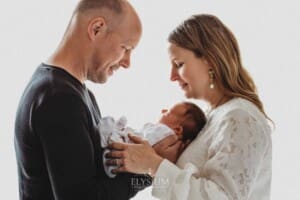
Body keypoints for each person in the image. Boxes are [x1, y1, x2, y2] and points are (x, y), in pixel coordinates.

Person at [107, 14, 272, 199]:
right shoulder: (213, 118)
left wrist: (154, 164)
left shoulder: (239, 117)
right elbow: (177, 184)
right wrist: (149, 168)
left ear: (210, 60)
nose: (172, 76)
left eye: (179, 64)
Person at [14, 0, 147, 199]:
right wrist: (147, 175)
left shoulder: (71, 91)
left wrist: (138, 160)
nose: (127, 63)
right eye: (126, 48)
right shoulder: (59, 98)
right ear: (97, 28)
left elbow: (89, 181)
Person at [101, 102, 206, 177]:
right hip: (131, 161)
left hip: (128, 151)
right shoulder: (166, 139)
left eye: (168, 112)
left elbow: (146, 143)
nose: (163, 110)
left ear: (178, 129)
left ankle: (111, 138)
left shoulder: (165, 132)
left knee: (114, 132)